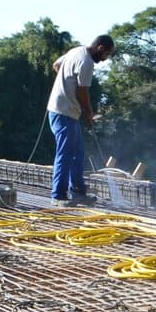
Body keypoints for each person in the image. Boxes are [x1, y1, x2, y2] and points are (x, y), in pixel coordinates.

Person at [44, 34, 114, 206]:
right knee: (65, 154)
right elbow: (83, 91)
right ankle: (58, 196)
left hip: (66, 111)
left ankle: (77, 192)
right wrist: (89, 113)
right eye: (106, 54)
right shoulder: (87, 61)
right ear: (100, 48)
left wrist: (65, 85)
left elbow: (56, 65)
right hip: (63, 112)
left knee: (77, 153)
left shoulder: (75, 51)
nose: (104, 59)